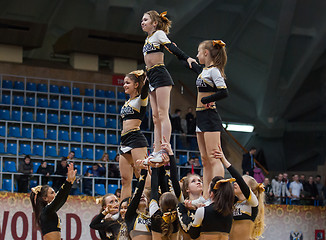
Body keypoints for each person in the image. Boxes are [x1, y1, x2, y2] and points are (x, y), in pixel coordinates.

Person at [141, 10, 196, 163]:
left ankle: (164, 148)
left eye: (145, 20)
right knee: (155, 117)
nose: (142, 22)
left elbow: (171, 47)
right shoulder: (147, 39)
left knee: (162, 113)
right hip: (151, 76)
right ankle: (156, 150)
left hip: (160, 74)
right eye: (142, 20)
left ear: (155, 23)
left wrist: (186, 58)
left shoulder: (158, 34)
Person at [180, 39, 228, 198]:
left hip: (210, 116)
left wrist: (206, 100)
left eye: (199, 52)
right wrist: (172, 48)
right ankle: (207, 196)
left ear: (206, 53)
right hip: (200, 116)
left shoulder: (214, 71)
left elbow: (223, 92)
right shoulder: (204, 71)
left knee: (214, 158)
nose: (197, 55)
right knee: (205, 159)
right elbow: (189, 62)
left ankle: (218, 193)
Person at [214, 148, 265, 240]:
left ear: (249, 189)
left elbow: (240, 181)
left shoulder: (252, 203)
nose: (235, 183)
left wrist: (224, 161)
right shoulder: (233, 202)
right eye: (236, 181)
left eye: (240, 182)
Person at [119, 70, 149, 200]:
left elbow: (145, 90)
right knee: (125, 180)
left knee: (141, 173)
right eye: (124, 83)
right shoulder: (127, 102)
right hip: (124, 140)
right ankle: (123, 210)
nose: (124, 85)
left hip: (136, 138)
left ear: (136, 85)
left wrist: (147, 76)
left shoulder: (140, 100)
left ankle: (150, 205)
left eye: (127, 83)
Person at [30, 163, 76, 240]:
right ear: (45, 198)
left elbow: (61, 199)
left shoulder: (48, 211)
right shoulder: (46, 211)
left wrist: (70, 182)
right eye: (52, 193)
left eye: (54, 192)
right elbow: (59, 199)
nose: (55, 194)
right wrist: (68, 181)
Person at [149, 136, 182, 240]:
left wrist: (157, 165)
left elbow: (154, 189)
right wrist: (169, 158)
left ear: (159, 204)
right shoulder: (178, 213)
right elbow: (174, 182)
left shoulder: (156, 215)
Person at [124, 164, 151, 240]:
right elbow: (137, 194)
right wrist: (143, 172)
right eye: (140, 196)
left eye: (144, 196)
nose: (142, 196)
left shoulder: (153, 215)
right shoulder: (130, 216)